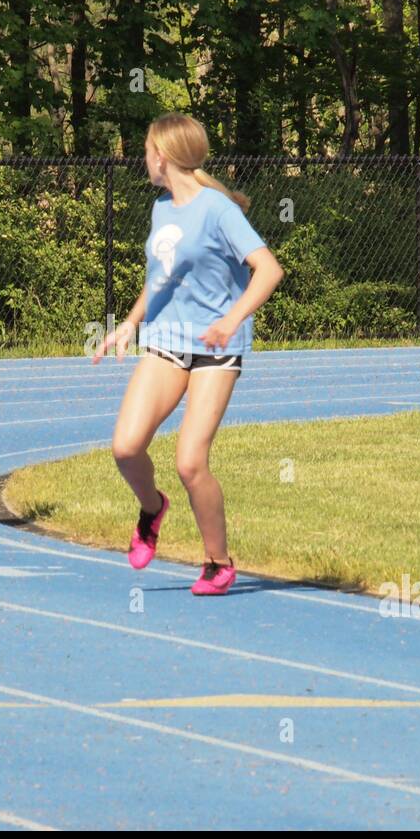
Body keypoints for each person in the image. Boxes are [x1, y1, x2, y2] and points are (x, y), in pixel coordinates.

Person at [93, 113, 284, 595]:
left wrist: (231, 319)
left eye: (145, 150)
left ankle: (218, 563)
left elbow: (269, 271)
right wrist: (130, 325)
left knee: (190, 462)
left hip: (215, 349)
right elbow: (161, 277)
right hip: (166, 341)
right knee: (125, 447)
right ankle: (153, 509)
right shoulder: (162, 208)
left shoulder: (219, 211)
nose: (142, 159)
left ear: (161, 155)